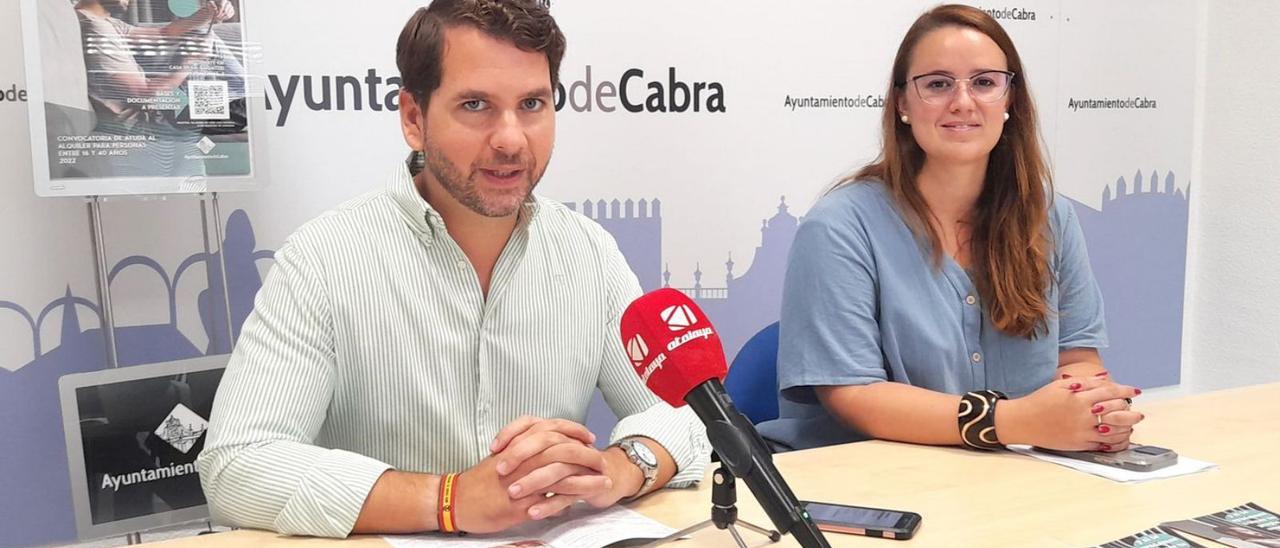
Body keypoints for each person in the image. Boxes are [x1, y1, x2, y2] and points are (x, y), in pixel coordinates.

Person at [196, 0, 709, 539]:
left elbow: (686, 414)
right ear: (414, 119)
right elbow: (237, 466)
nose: (512, 139)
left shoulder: (587, 252)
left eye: (532, 103)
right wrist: (447, 500)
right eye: (475, 105)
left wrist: (620, 469)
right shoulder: (325, 258)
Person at [757, 4, 1143, 453]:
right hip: (870, 483)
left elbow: (1077, 357)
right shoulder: (839, 227)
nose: (963, 101)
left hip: (1014, 476)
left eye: (984, 82)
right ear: (902, 103)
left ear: (1009, 101)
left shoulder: (1050, 215)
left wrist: (1091, 412)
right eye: (938, 84)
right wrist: (1011, 421)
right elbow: (852, 395)